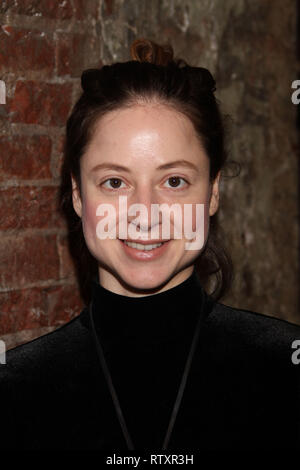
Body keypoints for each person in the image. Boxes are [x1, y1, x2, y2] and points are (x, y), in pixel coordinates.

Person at [0, 37, 300, 451]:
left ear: (212, 192)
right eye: (115, 182)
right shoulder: (14, 392)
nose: (145, 211)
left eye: (174, 181)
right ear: (77, 194)